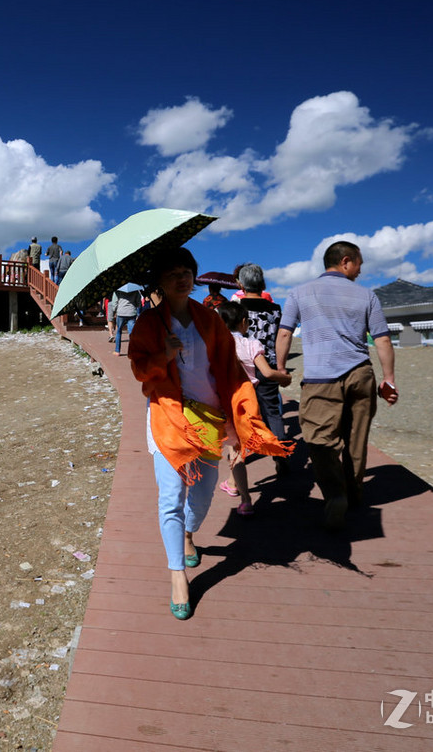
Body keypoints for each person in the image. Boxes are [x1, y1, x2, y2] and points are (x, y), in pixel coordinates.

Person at [129, 247, 291, 620]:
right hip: (168, 419)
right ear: (160, 283)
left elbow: (230, 373)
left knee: (202, 494)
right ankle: (177, 576)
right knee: (170, 497)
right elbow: (139, 370)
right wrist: (162, 358)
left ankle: (188, 533)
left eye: (186, 270)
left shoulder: (211, 319)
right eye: (172, 273)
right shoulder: (148, 324)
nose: (182, 278)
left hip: (211, 421)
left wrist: (235, 429)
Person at [275, 240, 399, 530]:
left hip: (321, 379)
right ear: (345, 261)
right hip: (360, 374)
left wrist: (281, 369)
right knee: (356, 440)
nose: (360, 270)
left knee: (319, 441)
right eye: (359, 263)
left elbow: (284, 334)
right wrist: (389, 379)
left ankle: (335, 495)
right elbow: (381, 339)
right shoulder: (367, 296)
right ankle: (353, 497)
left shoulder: (299, 293)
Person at [215, 302, 292, 514]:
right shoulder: (251, 344)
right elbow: (267, 373)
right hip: (247, 400)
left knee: (235, 449)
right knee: (238, 447)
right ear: (243, 322)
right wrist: (284, 378)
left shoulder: (217, 344)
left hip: (224, 399)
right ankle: (232, 484)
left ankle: (246, 499)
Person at [236, 263, 290, 477]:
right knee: (273, 411)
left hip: (243, 365)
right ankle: (280, 454)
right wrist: (281, 366)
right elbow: (280, 338)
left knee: (243, 411)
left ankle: (242, 456)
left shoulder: (238, 306)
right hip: (268, 364)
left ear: (241, 284)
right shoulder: (275, 309)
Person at [110, 283, 142, 356]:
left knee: (119, 331)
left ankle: (117, 351)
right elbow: (139, 303)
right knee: (131, 333)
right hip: (131, 313)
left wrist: (115, 311)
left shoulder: (118, 290)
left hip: (121, 313)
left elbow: (114, 303)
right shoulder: (135, 290)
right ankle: (133, 351)